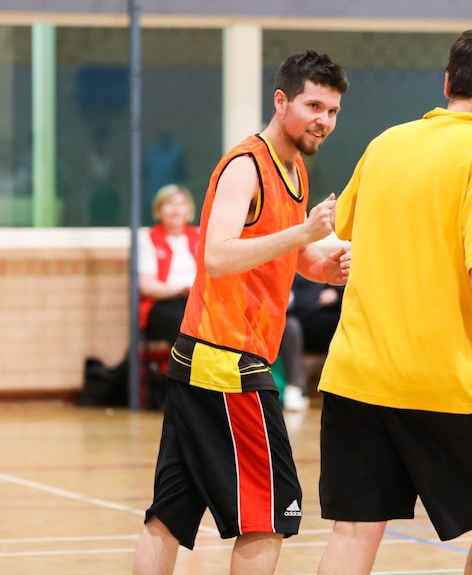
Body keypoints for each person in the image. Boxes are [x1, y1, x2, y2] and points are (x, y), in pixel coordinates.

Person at [316, 29, 472, 575]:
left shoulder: (387, 142)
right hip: (440, 380)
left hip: (356, 372)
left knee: (356, 529)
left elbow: (339, 234)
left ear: (447, 82)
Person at [132, 51, 350, 575]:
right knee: (271, 514)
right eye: (313, 105)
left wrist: (321, 267)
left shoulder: (293, 168)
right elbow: (219, 254)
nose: (324, 120)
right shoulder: (244, 166)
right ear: (281, 100)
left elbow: (279, 249)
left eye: (334, 110)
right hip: (226, 361)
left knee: (171, 513)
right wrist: (305, 232)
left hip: (203, 358)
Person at [138, 184, 199, 346]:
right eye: (169, 204)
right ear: (158, 210)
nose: (176, 210)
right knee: (184, 322)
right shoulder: (148, 239)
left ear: (189, 210)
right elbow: (147, 286)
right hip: (161, 304)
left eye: (181, 204)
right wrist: (179, 290)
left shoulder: (200, 237)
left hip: (196, 301)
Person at [280, 275, 346, 411]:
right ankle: (294, 386)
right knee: (291, 326)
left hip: (321, 320)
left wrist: (335, 293)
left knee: (345, 323)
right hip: (296, 320)